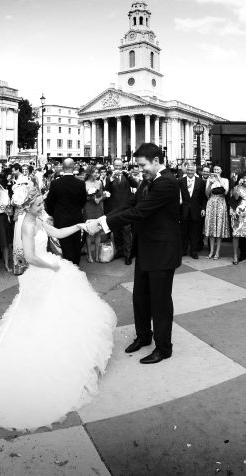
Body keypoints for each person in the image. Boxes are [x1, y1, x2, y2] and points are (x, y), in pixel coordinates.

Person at [0, 185, 116, 430]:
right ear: (27, 206)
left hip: (48, 267)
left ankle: (68, 358)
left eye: (41, 203)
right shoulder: (26, 225)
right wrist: (51, 267)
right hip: (40, 273)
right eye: (38, 204)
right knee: (37, 319)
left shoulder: (38, 220)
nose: (42, 207)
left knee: (60, 315)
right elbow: (29, 257)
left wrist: (80, 225)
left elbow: (58, 233)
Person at [88, 143, 181, 365]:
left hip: (162, 251)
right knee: (140, 297)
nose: (140, 170)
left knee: (160, 302)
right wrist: (103, 219)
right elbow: (129, 204)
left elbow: (140, 212)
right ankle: (143, 336)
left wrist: (103, 225)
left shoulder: (167, 183)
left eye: (143, 165)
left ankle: (163, 347)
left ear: (156, 161)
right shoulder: (148, 181)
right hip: (146, 249)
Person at [44, 158, 87, 265]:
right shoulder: (80, 183)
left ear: (62, 167)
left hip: (61, 219)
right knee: (76, 244)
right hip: (76, 217)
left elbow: (49, 202)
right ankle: (76, 266)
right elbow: (83, 201)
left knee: (65, 246)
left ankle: (69, 268)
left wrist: (53, 214)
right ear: (74, 167)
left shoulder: (55, 183)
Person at [104, 158, 139, 264]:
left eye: (120, 166)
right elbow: (106, 190)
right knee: (116, 233)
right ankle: (119, 251)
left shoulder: (127, 175)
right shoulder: (109, 177)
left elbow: (135, 185)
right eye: (116, 166)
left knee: (126, 232)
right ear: (113, 166)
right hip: (114, 209)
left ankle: (128, 255)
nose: (118, 168)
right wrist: (111, 180)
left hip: (126, 209)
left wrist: (128, 175)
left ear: (123, 166)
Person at [179, 162, 206, 259]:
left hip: (196, 210)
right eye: (188, 170)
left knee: (195, 232)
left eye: (192, 170)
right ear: (186, 170)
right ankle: (183, 250)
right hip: (184, 210)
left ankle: (194, 251)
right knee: (184, 232)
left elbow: (203, 197)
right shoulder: (180, 181)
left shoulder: (201, 182)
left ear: (195, 171)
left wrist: (203, 208)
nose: (190, 172)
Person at [203, 164, 230, 259]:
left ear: (221, 170)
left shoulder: (225, 180)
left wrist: (219, 180)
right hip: (211, 203)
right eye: (214, 169)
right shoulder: (209, 180)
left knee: (219, 229)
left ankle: (217, 252)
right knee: (211, 229)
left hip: (221, 203)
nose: (216, 171)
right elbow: (206, 194)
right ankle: (211, 251)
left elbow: (226, 192)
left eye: (218, 169)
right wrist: (210, 183)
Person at [83, 166, 105, 263]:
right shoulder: (84, 183)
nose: (97, 174)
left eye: (97, 173)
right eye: (95, 172)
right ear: (90, 173)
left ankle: (96, 255)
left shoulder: (99, 182)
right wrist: (91, 197)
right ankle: (89, 255)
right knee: (89, 233)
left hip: (98, 209)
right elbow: (82, 197)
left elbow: (102, 195)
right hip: (88, 208)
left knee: (98, 232)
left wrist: (98, 199)